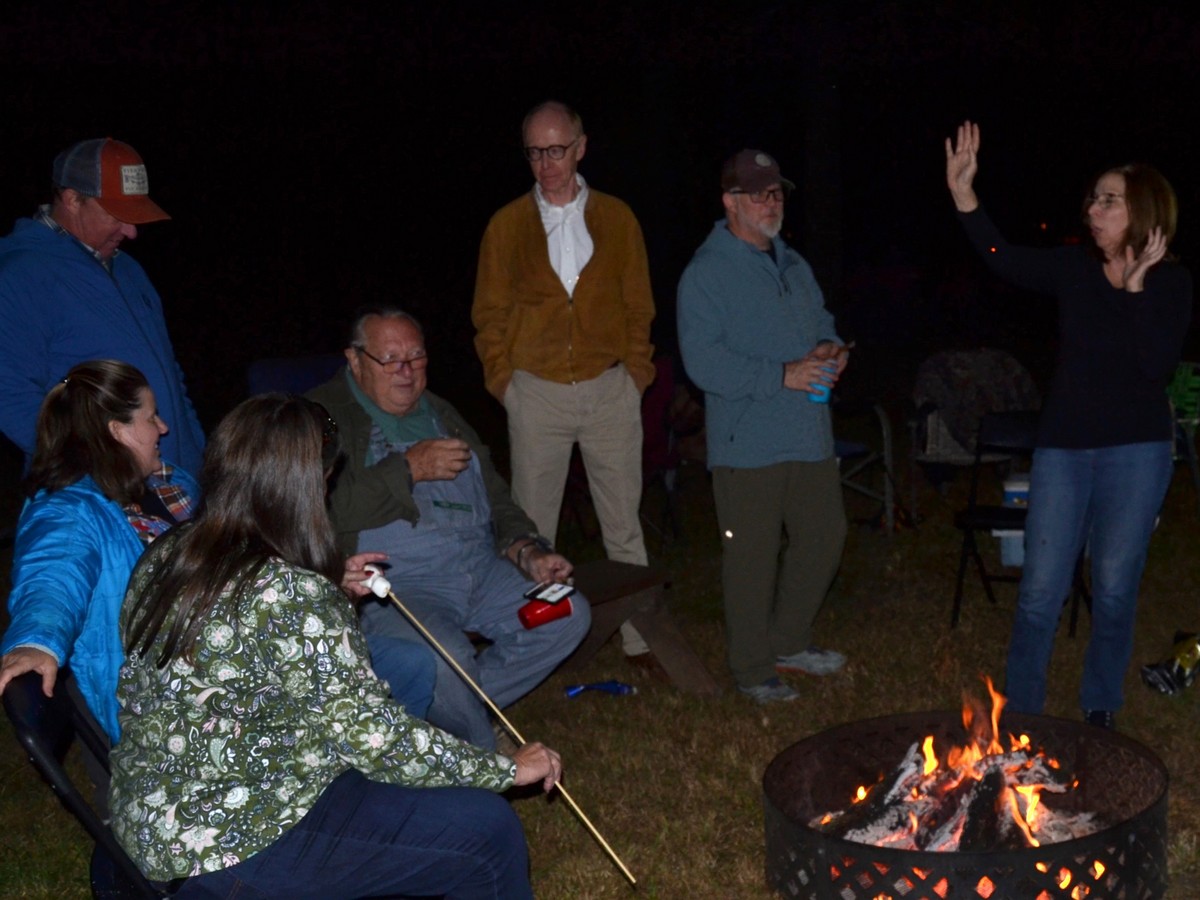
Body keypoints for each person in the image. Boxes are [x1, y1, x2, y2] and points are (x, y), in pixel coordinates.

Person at [110, 394, 561, 898]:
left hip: (153, 819)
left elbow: (251, 638)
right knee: (488, 829)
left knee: (402, 693)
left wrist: (325, 587)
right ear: (306, 486)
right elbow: (376, 739)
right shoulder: (290, 593)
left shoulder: (170, 553)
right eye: (325, 479)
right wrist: (505, 769)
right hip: (237, 846)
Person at [945, 121, 1192, 728]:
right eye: (1094, 198)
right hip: (1064, 450)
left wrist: (1135, 289)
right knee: (1040, 589)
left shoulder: (1171, 282)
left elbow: (1154, 367)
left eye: (1109, 199)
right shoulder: (1072, 268)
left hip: (1137, 452)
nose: (1093, 209)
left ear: (1143, 210)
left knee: (1113, 586)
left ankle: (1100, 707)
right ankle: (1021, 714)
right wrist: (965, 197)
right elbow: (1002, 259)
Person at [307, 308, 591, 749]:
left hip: (481, 569)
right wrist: (407, 469)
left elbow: (498, 498)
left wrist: (527, 550)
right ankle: (483, 754)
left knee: (566, 612)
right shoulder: (320, 418)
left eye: (416, 357)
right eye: (390, 359)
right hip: (395, 585)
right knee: (446, 659)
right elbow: (321, 509)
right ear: (355, 360)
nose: (406, 371)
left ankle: (443, 718)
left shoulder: (442, 412)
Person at [472, 100, 656, 663]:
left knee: (623, 524)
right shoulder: (506, 226)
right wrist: (507, 386)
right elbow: (489, 316)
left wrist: (635, 376)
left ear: (580, 147)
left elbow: (639, 306)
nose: (545, 163)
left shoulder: (617, 218)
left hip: (609, 390)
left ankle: (642, 640)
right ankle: (533, 642)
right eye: (535, 152)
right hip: (537, 394)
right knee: (530, 531)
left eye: (556, 150)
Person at [677, 149, 850, 705]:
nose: (771, 202)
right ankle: (752, 668)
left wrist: (831, 347)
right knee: (751, 558)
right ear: (730, 202)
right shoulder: (706, 274)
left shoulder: (793, 264)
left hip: (808, 431)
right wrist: (781, 375)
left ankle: (790, 642)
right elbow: (703, 362)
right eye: (758, 194)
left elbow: (820, 320)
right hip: (746, 442)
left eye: (776, 192)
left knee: (824, 537)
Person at [0, 360, 198, 741]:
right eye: (151, 417)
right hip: (165, 701)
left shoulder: (166, 483)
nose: (163, 428)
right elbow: (53, 575)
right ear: (118, 431)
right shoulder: (69, 512)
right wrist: (36, 639)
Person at [0, 138, 205, 476]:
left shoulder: (128, 269)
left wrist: (198, 463)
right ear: (72, 200)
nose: (131, 231)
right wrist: (95, 474)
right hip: (102, 489)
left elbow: (171, 377)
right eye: (119, 215)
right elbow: (10, 396)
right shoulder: (20, 275)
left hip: (172, 481)